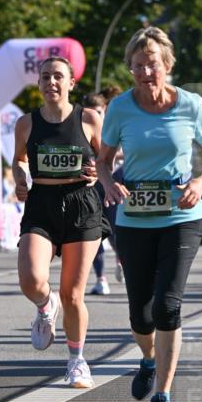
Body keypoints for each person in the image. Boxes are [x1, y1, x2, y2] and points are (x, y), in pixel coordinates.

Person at [97, 26, 202, 402]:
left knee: (168, 306)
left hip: (182, 216)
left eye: (151, 64)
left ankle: (163, 397)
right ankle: (148, 357)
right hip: (134, 218)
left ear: (166, 65)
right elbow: (102, 160)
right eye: (137, 66)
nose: (144, 72)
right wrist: (109, 183)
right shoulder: (120, 108)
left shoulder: (190, 104)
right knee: (141, 314)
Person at [13, 57, 104, 389]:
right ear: (38, 83)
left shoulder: (90, 118)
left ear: (71, 83)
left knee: (73, 294)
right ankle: (43, 304)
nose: (52, 81)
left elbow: (108, 157)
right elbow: (19, 159)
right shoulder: (25, 123)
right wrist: (19, 177)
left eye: (58, 76)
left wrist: (98, 172)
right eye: (46, 76)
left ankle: (77, 361)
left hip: (82, 204)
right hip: (41, 204)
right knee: (31, 279)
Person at [83, 93, 111, 295]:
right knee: (95, 233)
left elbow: (126, 151)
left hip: (115, 182)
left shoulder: (114, 125)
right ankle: (101, 278)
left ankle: (123, 262)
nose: (96, 116)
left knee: (117, 234)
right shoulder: (83, 126)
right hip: (91, 187)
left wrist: (104, 159)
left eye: (99, 112)